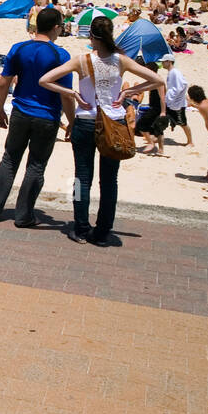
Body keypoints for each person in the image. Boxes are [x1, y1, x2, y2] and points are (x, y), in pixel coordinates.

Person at [40, 15, 164, 246]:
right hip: (114, 123)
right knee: (109, 182)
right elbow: (157, 80)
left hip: (86, 120)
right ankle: (103, 230)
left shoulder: (82, 60)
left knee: (80, 179)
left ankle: (80, 227)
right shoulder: (121, 60)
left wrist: (73, 94)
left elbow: (45, 80)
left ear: (91, 36)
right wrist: (129, 92)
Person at [0, 7, 74, 227]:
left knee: (10, 158)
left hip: (21, 112)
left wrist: (0, 108)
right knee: (36, 165)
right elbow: (67, 95)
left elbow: (3, 82)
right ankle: (23, 216)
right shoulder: (61, 55)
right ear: (55, 28)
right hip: (47, 116)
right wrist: (71, 122)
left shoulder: (19, 48)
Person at [136, 62, 169, 157]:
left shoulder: (158, 80)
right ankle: (159, 148)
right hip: (154, 106)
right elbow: (146, 87)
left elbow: (163, 97)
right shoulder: (153, 79)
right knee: (157, 130)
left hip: (157, 108)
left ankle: (151, 142)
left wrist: (163, 111)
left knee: (141, 125)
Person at [161, 52, 193, 148]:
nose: (162, 64)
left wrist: (173, 96)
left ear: (169, 62)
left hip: (177, 103)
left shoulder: (175, 72)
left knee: (182, 123)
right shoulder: (171, 72)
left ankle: (190, 141)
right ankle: (154, 137)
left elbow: (183, 85)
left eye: (163, 62)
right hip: (171, 102)